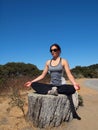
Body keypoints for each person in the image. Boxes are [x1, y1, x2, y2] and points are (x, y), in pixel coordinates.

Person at [24, 43, 81, 120]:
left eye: (54, 50)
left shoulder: (63, 61)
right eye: (51, 50)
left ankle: (55, 91)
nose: (52, 52)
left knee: (72, 89)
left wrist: (74, 84)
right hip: (51, 86)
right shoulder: (48, 62)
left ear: (59, 51)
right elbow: (42, 75)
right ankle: (51, 91)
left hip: (61, 85)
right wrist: (31, 82)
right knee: (34, 85)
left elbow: (69, 74)